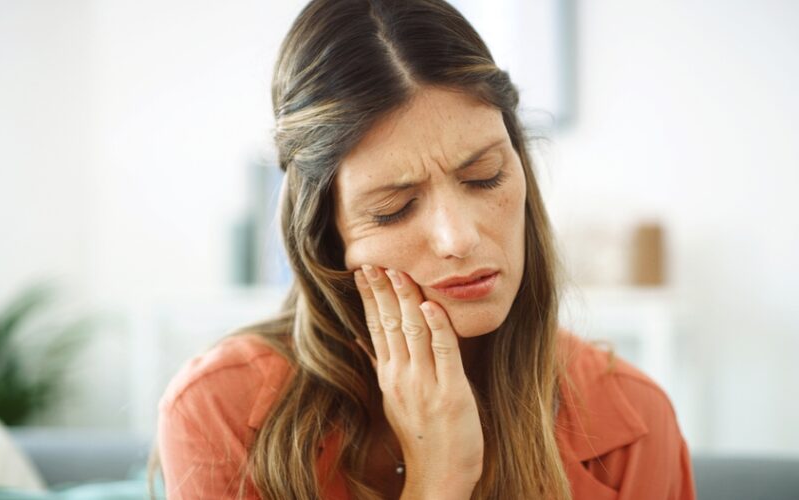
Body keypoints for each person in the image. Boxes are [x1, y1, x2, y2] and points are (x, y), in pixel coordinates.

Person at [154, 0, 696, 498]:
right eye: (394, 208)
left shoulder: (634, 419)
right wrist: (439, 478)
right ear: (327, 232)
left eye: (485, 177)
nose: (458, 239)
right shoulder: (218, 409)